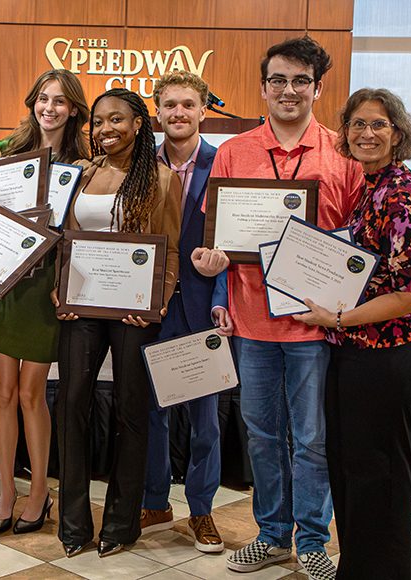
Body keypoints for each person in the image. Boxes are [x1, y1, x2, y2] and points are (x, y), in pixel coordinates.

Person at [214, 36, 363, 580]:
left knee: (312, 438)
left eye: (301, 81)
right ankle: (272, 536)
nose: (289, 90)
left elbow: (354, 244)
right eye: (278, 80)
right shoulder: (235, 151)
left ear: (318, 89)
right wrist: (213, 277)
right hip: (251, 320)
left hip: (313, 326)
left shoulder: (341, 153)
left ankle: (313, 540)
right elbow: (218, 240)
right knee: (261, 433)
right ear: (263, 87)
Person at [292, 88, 411, 580]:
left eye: (378, 125)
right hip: (358, 352)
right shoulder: (372, 186)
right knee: (359, 475)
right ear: (345, 132)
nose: (366, 134)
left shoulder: (401, 195)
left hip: (389, 353)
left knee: (379, 479)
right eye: (356, 125)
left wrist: (335, 319)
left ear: (398, 132)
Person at [52, 87, 181, 558]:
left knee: (130, 409)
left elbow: (169, 253)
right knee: (71, 407)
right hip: (81, 307)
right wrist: (59, 288)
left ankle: (121, 524)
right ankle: (72, 526)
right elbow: (66, 237)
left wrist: (155, 303)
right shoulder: (81, 175)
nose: (106, 129)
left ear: (139, 125)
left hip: (132, 310)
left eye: (117, 120)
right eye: (99, 121)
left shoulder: (163, 180)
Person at [0, 69, 90, 535]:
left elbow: (83, 232)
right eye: (43, 98)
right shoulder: (9, 152)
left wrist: (66, 277)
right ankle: (6, 490)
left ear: (74, 110)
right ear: (33, 102)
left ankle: (38, 491)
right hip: (6, 280)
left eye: (61, 101)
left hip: (47, 286)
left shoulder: (85, 164)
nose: (50, 108)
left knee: (31, 394)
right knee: (3, 393)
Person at [138, 71, 231, 554]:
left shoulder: (227, 163)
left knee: (205, 419)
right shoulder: (137, 164)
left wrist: (220, 297)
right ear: (157, 111)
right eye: (170, 105)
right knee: (151, 410)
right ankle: (155, 501)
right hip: (150, 308)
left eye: (188, 105)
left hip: (200, 306)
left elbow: (235, 242)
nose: (178, 113)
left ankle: (201, 510)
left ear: (202, 110)